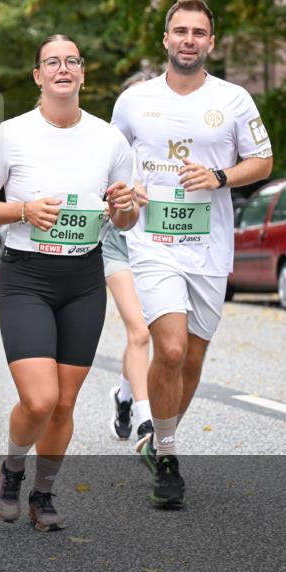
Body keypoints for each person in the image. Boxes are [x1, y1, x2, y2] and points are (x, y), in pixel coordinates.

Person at [0, 34, 137, 531]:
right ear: (38, 76)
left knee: (65, 401)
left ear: (82, 74)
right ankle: (12, 469)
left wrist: (124, 209)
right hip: (27, 276)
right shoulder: (11, 134)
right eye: (51, 62)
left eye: (72, 61)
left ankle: (44, 493)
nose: (63, 68)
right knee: (39, 398)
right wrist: (22, 209)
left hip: (83, 277)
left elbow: (124, 222)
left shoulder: (110, 140)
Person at [111, 0, 273, 508]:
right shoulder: (135, 100)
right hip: (152, 243)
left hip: (209, 244)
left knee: (194, 358)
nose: (187, 39)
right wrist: (124, 189)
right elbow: (112, 161)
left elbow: (263, 160)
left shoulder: (235, 99)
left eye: (197, 32)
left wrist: (220, 175)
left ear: (211, 42)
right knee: (173, 349)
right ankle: (169, 457)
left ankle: (153, 431)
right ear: (165, 39)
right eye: (179, 30)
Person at [103, 70, 155, 451]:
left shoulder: (169, 146)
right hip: (118, 242)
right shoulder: (108, 147)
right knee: (139, 331)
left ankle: (123, 396)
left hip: (157, 246)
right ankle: (144, 418)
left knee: (147, 331)